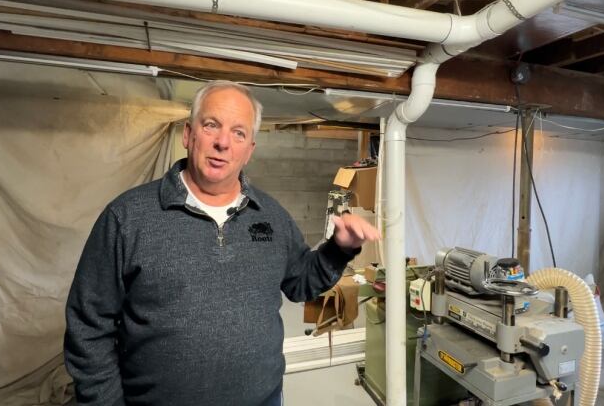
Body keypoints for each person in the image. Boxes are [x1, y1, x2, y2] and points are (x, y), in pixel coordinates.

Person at [64, 80, 380, 406]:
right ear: (189, 135)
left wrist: (339, 248)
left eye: (239, 133)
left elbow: (301, 283)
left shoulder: (271, 216)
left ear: (249, 150)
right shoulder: (127, 218)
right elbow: (88, 325)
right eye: (211, 125)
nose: (223, 142)